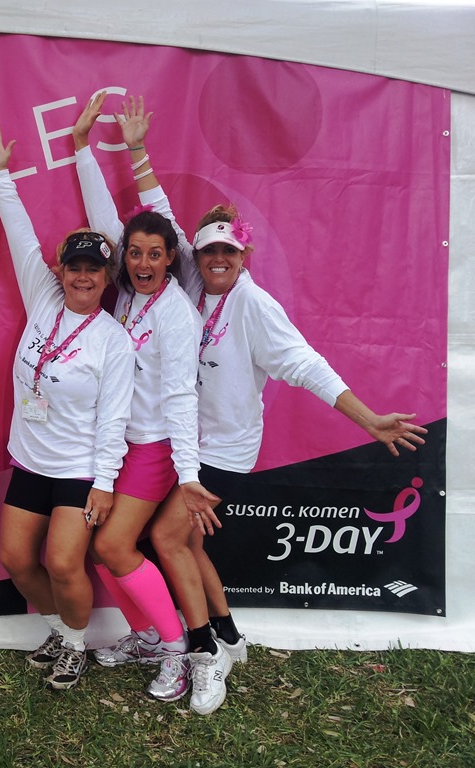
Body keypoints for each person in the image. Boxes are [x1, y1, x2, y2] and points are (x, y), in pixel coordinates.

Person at [85, 94, 427, 715]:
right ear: (196, 257)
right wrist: (135, 150)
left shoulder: (254, 304)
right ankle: (230, 637)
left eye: (229, 253)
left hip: (225, 449)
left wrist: (370, 419)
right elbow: (160, 220)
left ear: (245, 257)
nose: (218, 261)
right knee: (188, 546)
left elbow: (307, 366)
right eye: (209, 252)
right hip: (187, 443)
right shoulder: (191, 284)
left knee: (167, 538)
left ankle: (200, 656)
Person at [0, 121, 136, 690]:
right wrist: (0, 174)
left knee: (65, 563)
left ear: (107, 277)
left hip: (77, 469)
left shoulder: (113, 341)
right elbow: (20, 236)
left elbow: (114, 418)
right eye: (75, 267)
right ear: (61, 270)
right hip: (30, 459)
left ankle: (75, 646)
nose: (83, 276)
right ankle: (59, 630)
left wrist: (105, 483)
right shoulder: (43, 297)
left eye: (94, 269)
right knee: (16, 560)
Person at [70, 91, 218, 704]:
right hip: (122, 442)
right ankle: (146, 636)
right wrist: (81, 149)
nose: (143, 262)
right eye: (135, 253)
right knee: (99, 542)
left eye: (156, 254)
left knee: (111, 545)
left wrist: (189, 475)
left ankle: (178, 650)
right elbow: (108, 221)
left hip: (156, 447)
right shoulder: (130, 294)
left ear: (171, 259)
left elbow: (181, 397)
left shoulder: (176, 313)